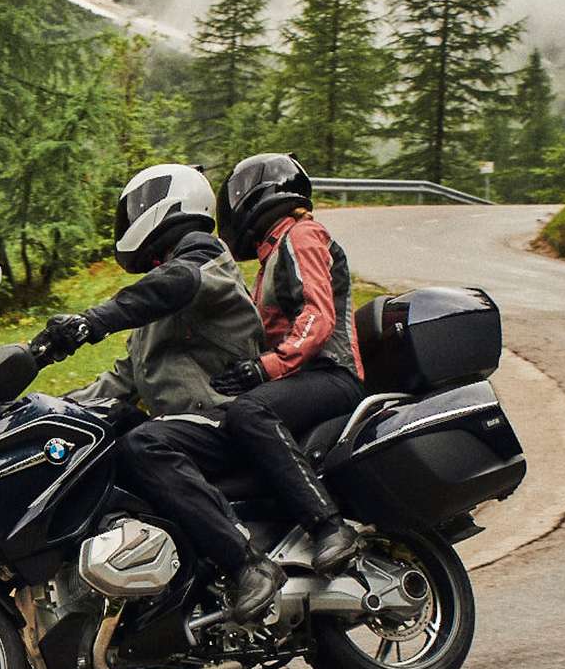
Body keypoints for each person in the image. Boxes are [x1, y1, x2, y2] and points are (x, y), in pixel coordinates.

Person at [30, 164, 287, 620]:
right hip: (188, 430)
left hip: (226, 420)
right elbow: (121, 380)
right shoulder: (161, 303)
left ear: (168, 204)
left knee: (143, 443)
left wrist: (91, 322)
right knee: (101, 438)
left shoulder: (203, 260)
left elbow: (173, 284)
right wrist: (45, 409)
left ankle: (248, 564)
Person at [210, 152, 364, 575]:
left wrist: (266, 368)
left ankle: (329, 526)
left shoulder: (301, 235)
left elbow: (317, 316)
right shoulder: (272, 255)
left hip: (332, 374)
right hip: (305, 376)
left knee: (250, 411)